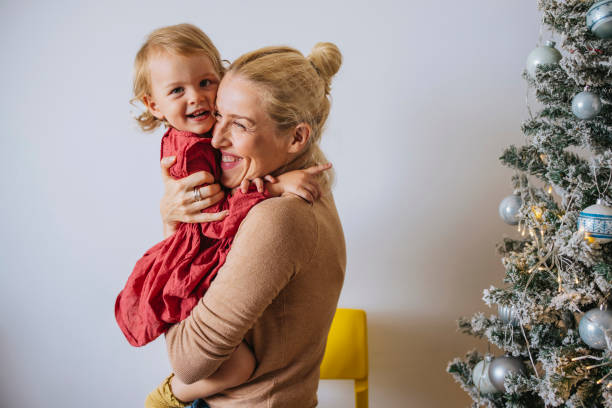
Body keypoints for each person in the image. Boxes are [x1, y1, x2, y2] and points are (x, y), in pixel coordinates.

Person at [113, 24, 329, 408]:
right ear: (153, 104)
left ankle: (167, 397)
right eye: (177, 90)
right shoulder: (305, 189)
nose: (215, 137)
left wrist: (171, 229)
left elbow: (187, 360)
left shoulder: (281, 216)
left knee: (233, 366)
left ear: (297, 137)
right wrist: (172, 221)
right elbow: (214, 217)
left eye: (239, 123)